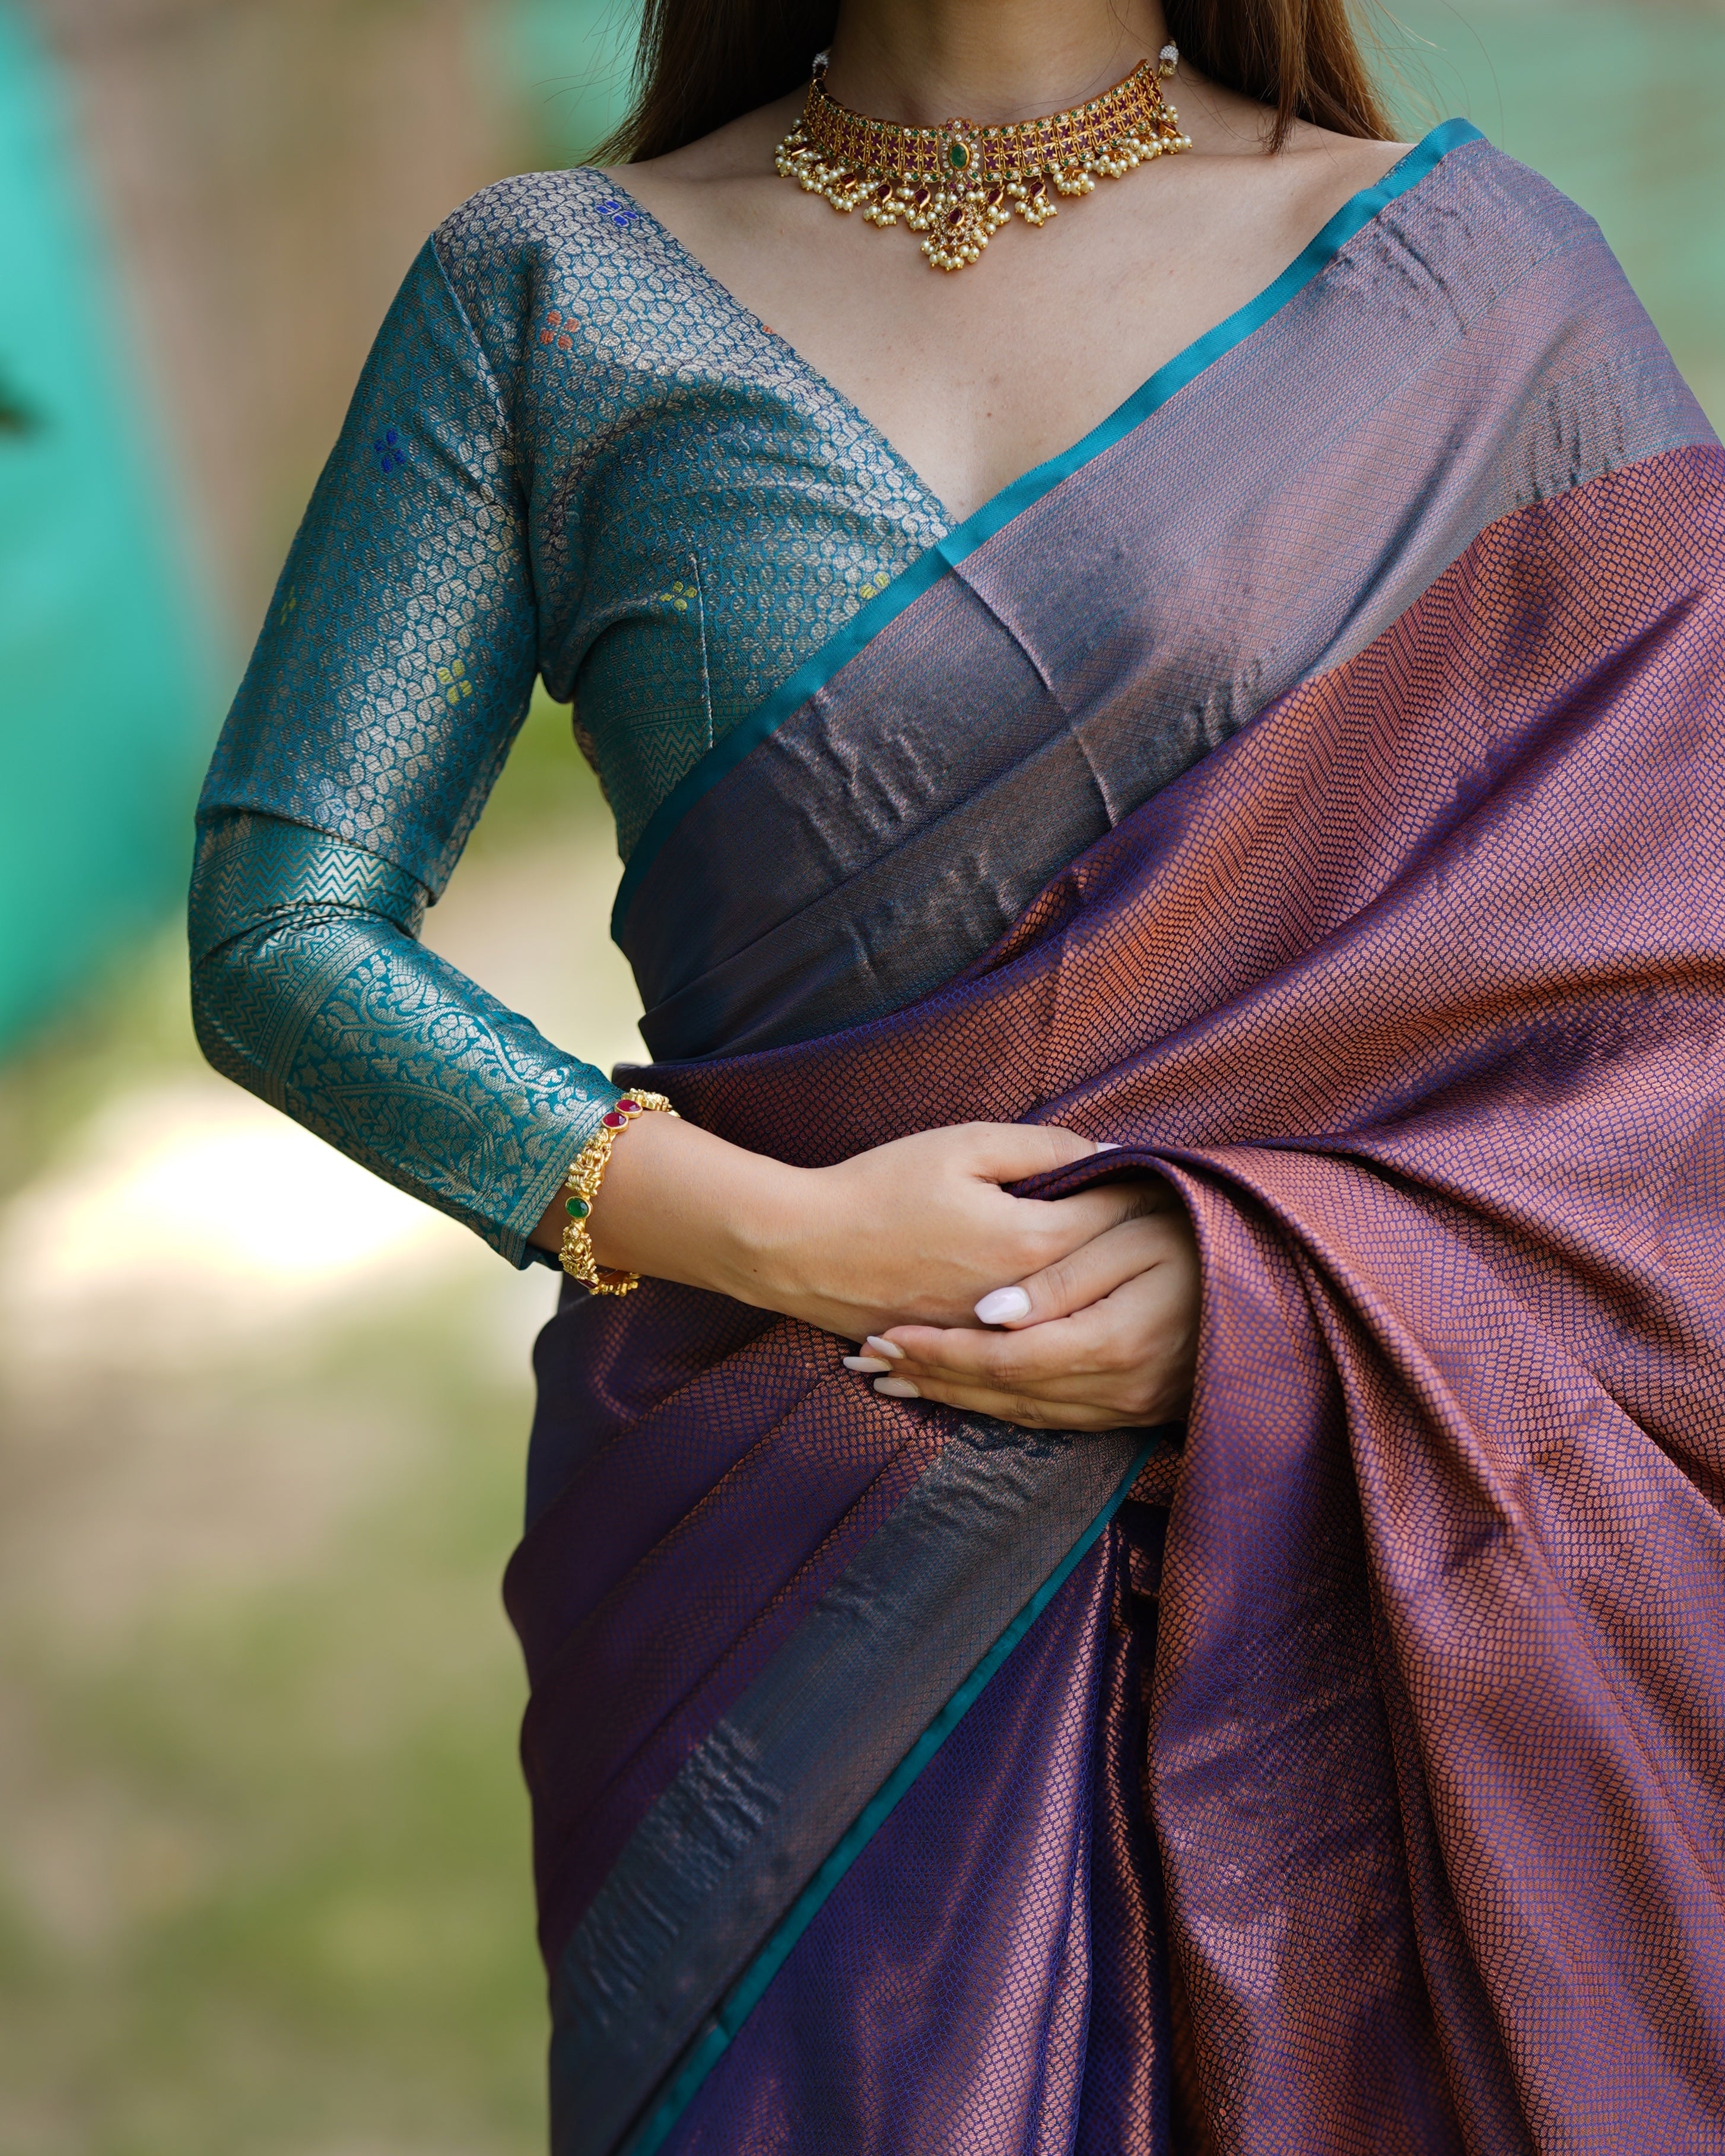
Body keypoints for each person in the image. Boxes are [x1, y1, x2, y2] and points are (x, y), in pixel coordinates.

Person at [189, 0, 1725, 2147]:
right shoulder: (551, 297)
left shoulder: (1469, 289)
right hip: (775, 1578)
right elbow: (283, 937)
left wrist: (1275, 1284)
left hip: (1336, 1545)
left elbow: (1672, 1002)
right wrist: (790, 1235)